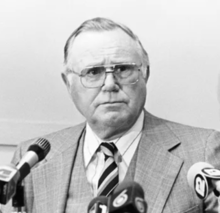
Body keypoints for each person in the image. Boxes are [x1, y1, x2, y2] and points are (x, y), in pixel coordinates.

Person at [3, 17, 220, 213]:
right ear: (68, 83)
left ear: (145, 73)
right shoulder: (32, 160)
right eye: (93, 72)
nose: (109, 84)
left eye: (123, 69)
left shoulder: (203, 150)